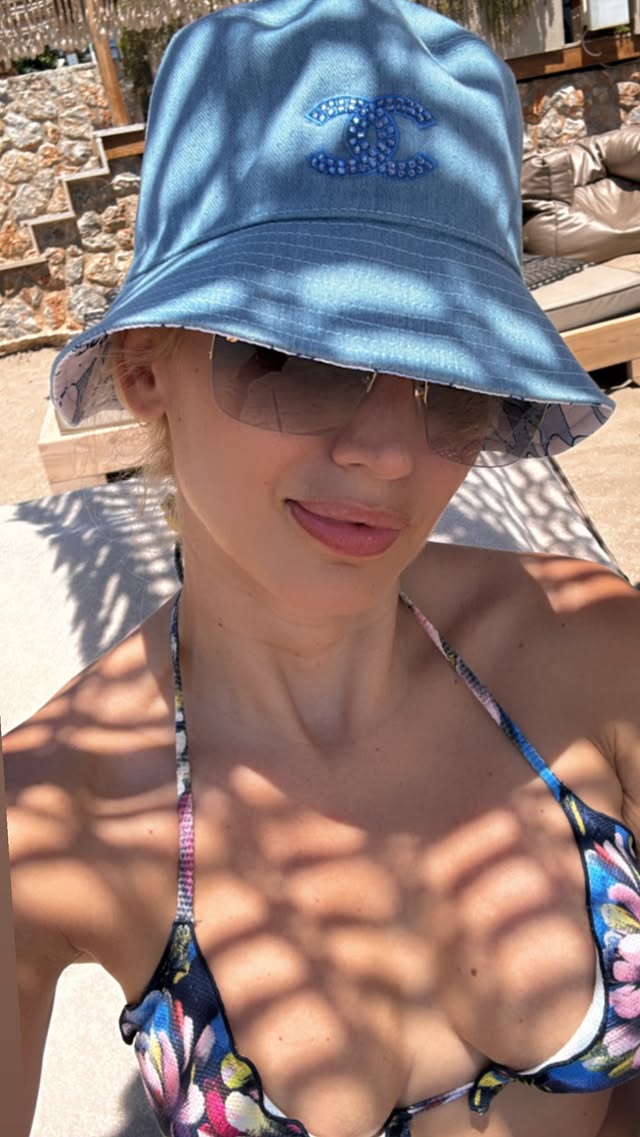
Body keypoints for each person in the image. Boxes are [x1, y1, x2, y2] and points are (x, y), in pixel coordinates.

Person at [5, 0, 640, 1134]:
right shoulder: (52, 816)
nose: (389, 451)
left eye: (453, 376)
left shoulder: (598, 652)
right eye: (297, 356)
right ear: (147, 367)